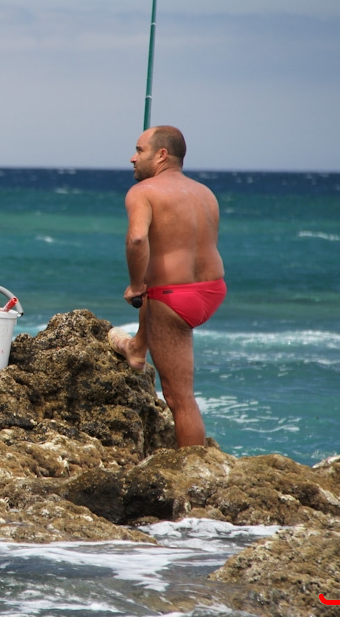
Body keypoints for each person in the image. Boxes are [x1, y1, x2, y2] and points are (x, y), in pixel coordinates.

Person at [108, 126, 226, 448]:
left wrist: (135, 286)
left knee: (179, 398)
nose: (133, 158)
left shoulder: (143, 192)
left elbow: (137, 239)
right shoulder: (205, 193)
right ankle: (137, 348)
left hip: (173, 299)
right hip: (212, 289)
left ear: (161, 154)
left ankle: (194, 470)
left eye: (139, 150)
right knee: (153, 286)